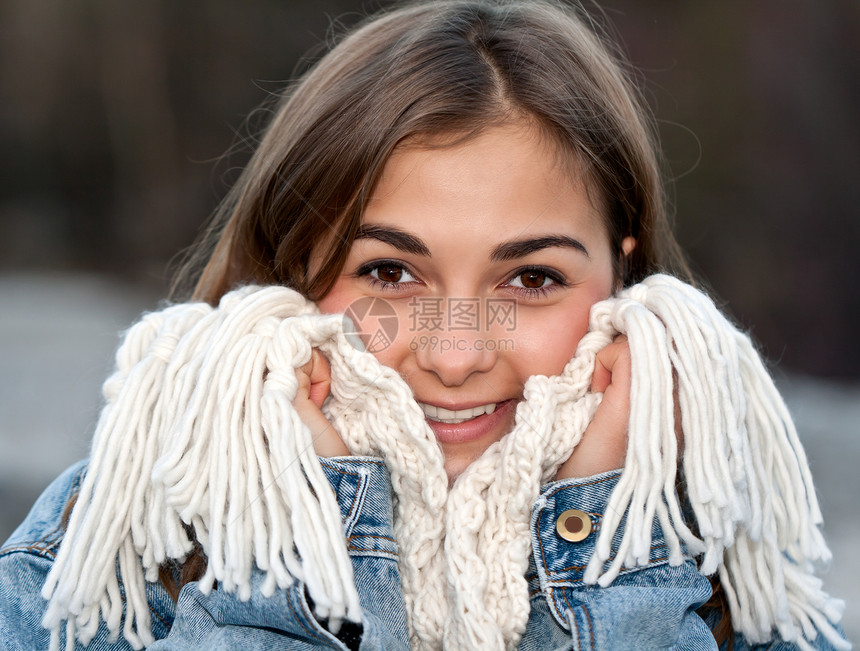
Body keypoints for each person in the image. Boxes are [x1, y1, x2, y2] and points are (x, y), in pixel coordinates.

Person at [0, 1, 848, 650]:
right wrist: (291, 542)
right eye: (390, 272)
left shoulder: (727, 559)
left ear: (623, 276)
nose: (454, 354)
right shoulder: (102, 547)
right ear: (290, 275)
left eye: (531, 277)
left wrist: (613, 553)